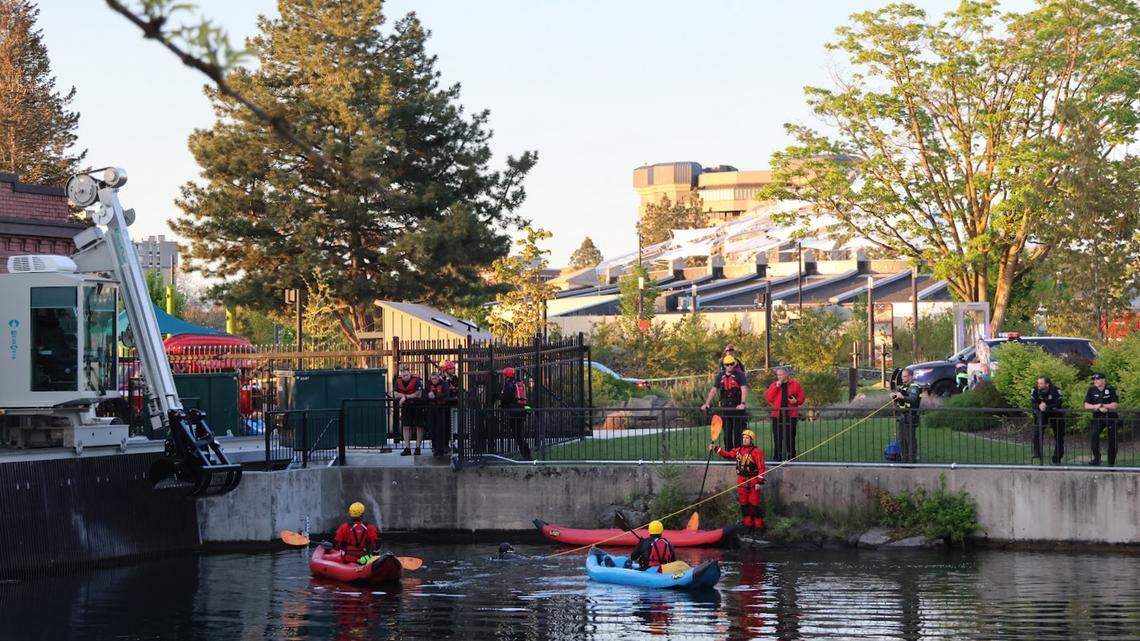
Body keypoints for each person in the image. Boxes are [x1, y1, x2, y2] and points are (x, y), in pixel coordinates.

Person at [711, 428, 766, 532]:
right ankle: (747, 524)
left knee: (754, 504)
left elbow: (761, 467)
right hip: (741, 480)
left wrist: (759, 482)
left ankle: (758, 526)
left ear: (751, 440)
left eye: (747, 438)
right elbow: (727, 454)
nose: (744, 440)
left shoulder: (756, 452)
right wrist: (716, 448)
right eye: (743, 438)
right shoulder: (738, 450)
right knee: (744, 504)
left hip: (753, 480)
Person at [701, 355, 749, 449]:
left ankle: (738, 454)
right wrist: (707, 403)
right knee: (727, 432)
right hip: (725, 408)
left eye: (731, 364)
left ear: (734, 364)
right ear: (724, 365)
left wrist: (742, 403)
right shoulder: (720, 376)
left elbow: (743, 389)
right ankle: (728, 454)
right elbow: (714, 390)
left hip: (737, 408)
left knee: (738, 432)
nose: (730, 366)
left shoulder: (740, 375)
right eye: (727, 364)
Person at [764, 367, 804, 461]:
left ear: (786, 375)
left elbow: (802, 398)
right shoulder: (774, 384)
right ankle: (777, 457)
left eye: (781, 374)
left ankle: (791, 457)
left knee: (790, 437)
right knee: (777, 436)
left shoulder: (795, 384)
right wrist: (776, 387)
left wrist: (796, 401)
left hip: (790, 415)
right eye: (778, 375)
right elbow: (769, 397)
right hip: (777, 415)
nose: (779, 377)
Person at [1084, 372, 1119, 466]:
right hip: (1098, 417)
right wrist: (1098, 407)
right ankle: (1097, 459)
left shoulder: (1111, 389)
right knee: (1093, 436)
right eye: (1094, 379)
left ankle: (1111, 462)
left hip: (1111, 417)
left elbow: (1115, 405)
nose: (1095, 381)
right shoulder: (1091, 390)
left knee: (1112, 440)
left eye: (1097, 379)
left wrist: (1104, 405)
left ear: (1103, 380)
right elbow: (1086, 405)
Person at [499, 367, 533, 460]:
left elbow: (507, 398)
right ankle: (526, 454)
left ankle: (527, 456)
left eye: (504, 375)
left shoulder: (509, 384)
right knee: (519, 434)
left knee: (517, 435)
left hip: (514, 412)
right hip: (521, 411)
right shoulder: (519, 383)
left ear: (507, 375)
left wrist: (501, 402)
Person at [1031, 376, 1064, 464]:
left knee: (1059, 436)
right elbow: (1033, 403)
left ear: (1047, 384)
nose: (1038, 385)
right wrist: (1039, 406)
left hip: (1055, 414)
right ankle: (1037, 453)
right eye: (1038, 383)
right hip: (1042, 414)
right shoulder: (1034, 390)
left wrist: (1046, 406)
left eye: (1041, 383)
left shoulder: (1056, 390)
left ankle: (1057, 458)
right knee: (1037, 432)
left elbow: (1058, 403)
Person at [392, 365, 424, 456]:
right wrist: (404, 397)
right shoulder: (398, 381)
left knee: (419, 426)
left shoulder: (416, 380)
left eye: (406, 372)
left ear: (409, 373)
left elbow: (418, 394)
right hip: (406, 407)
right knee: (406, 426)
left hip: (417, 406)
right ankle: (407, 448)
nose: (404, 373)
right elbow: (395, 394)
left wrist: (405, 397)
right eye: (403, 372)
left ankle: (418, 448)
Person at [891, 368, 922, 463]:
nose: (902, 378)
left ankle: (912, 461)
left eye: (904, 376)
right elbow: (899, 401)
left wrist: (902, 397)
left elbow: (913, 399)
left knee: (910, 440)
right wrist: (894, 396)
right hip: (902, 417)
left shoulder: (914, 387)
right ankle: (904, 460)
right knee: (902, 440)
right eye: (902, 376)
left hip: (910, 417)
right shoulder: (903, 387)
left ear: (911, 377)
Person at [427, 369, 452, 457]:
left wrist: (436, 396)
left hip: (442, 409)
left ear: (438, 378)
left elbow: (447, 395)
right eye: (432, 379)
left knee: (442, 428)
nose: (433, 380)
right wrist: (428, 396)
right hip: (432, 409)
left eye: (435, 379)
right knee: (433, 429)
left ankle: (442, 448)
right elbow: (425, 394)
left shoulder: (444, 384)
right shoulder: (428, 384)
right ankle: (435, 448)